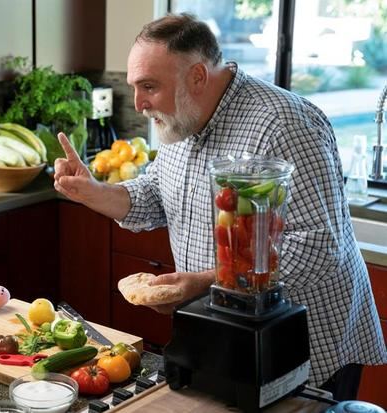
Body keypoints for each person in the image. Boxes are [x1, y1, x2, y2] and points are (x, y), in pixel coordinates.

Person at [53, 13, 387, 400]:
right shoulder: (179, 119)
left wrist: (204, 283)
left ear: (197, 76)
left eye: (149, 86)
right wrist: (92, 191)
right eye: (134, 87)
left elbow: (317, 247)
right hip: (227, 336)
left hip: (308, 349)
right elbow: (154, 194)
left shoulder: (284, 123)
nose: (139, 103)